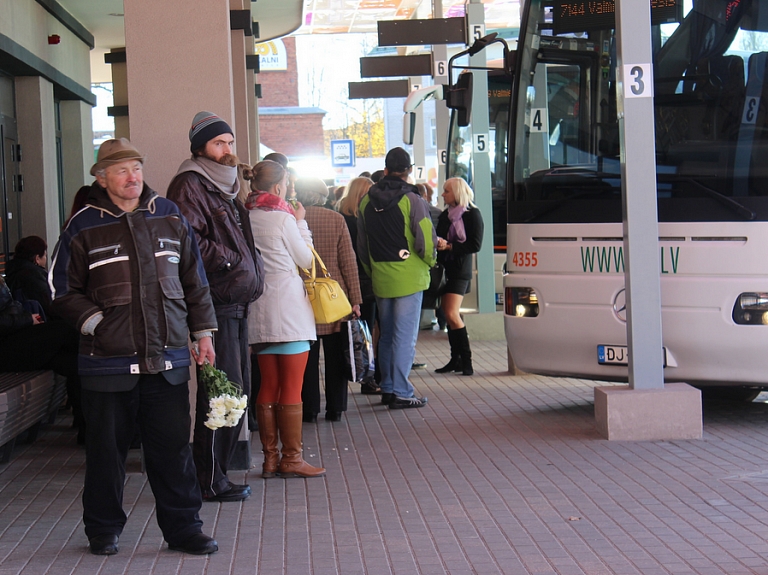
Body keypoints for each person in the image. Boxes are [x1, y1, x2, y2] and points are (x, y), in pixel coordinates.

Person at [49, 138, 219, 556]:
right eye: (122, 170)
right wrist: (95, 324)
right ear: (102, 177)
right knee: (107, 454)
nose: (132, 176)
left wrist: (203, 334)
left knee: (173, 451)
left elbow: (194, 281)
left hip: (168, 358)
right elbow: (59, 288)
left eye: (136, 167)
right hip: (107, 363)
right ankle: (103, 530)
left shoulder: (169, 215)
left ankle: (184, 529)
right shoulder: (83, 225)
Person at [166, 111, 263, 503]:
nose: (227, 150)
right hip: (215, 307)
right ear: (201, 148)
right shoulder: (190, 184)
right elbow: (186, 242)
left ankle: (216, 473)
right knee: (219, 396)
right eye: (219, 143)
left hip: (235, 305)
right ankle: (208, 478)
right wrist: (234, 262)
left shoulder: (223, 186)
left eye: (230, 142)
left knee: (234, 394)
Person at [244, 160, 325, 478]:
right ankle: (292, 459)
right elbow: (306, 260)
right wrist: (302, 224)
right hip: (289, 310)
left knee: (268, 384)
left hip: (259, 311)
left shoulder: (245, 217)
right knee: (292, 386)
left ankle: (269, 459)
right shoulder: (283, 218)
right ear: (277, 187)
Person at [357, 147, 436, 409]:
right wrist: (431, 261)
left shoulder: (366, 201)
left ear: (386, 169)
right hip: (409, 277)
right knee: (404, 337)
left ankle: (388, 388)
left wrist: (372, 270)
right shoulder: (413, 200)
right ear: (409, 171)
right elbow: (425, 239)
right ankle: (402, 391)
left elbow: (362, 244)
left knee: (387, 334)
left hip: (380, 275)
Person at [295, 176, 362, 422]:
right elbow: (348, 262)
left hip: (303, 297)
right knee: (336, 355)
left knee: (306, 358)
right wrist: (355, 299)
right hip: (335, 298)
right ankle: (336, 408)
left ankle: (309, 409)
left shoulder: (292, 221)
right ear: (323, 198)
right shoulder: (337, 219)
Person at [434, 177, 484, 376]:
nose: (443, 194)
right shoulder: (445, 215)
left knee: (453, 314)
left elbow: (475, 245)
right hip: (445, 269)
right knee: (448, 314)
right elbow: (438, 235)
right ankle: (456, 359)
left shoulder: (473, 214)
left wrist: (451, 246)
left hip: (460, 270)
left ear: (457, 192)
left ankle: (467, 360)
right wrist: (440, 243)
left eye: (446, 191)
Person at [338, 177, 380, 395]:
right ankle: (366, 376)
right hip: (364, 280)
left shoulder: (340, 217)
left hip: (346, 284)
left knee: (349, 331)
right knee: (366, 331)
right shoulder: (361, 220)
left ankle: (358, 373)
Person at [5, 236, 53, 319]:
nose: (46, 259)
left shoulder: (13, 273)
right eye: (45, 255)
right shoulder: (33, 276)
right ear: (37, 258)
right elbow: (50, 305)